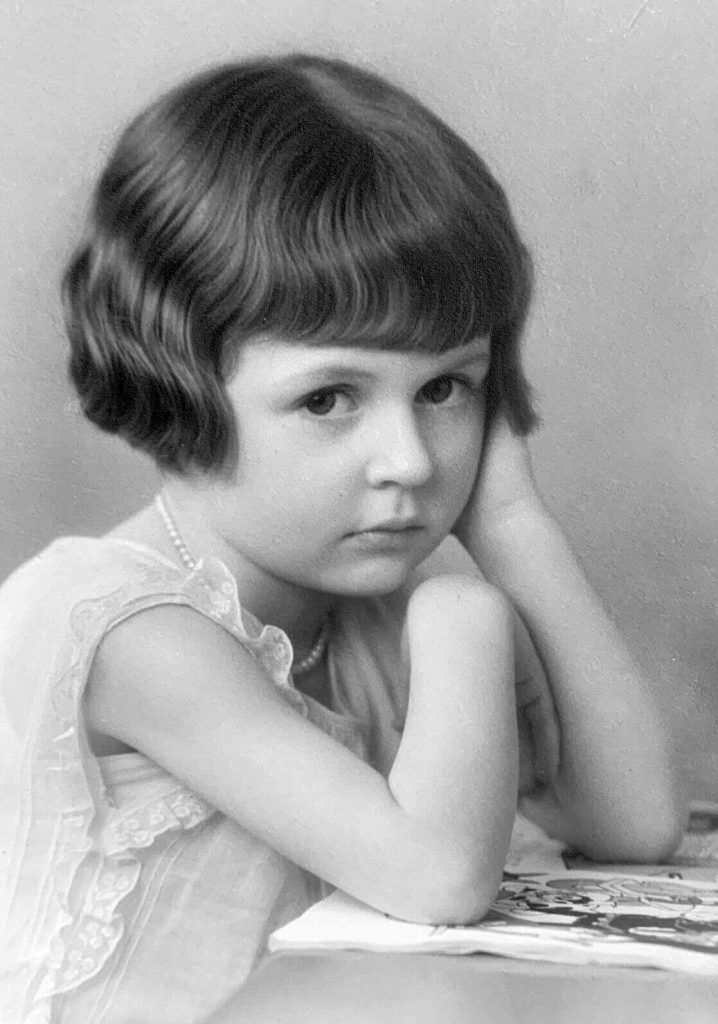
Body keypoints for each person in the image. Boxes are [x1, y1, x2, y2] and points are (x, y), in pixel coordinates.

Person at [0, 53, 683, 1023]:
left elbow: (633, 823)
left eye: (445, 387)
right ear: (174, 378)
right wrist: (463, 608)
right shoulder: (125, 628)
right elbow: (439, 875)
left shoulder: (362, 614)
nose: (409, 460)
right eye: (328, 398)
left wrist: (511, 523)